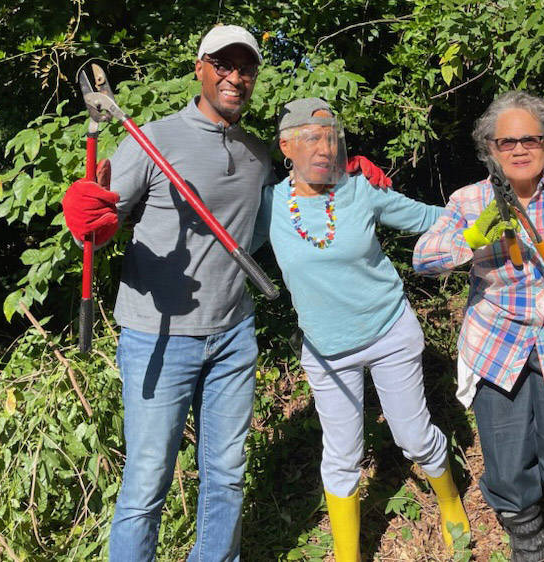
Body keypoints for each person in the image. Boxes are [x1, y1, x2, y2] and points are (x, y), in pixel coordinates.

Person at [60, 26, 387, 562]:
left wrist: (348, 178)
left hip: (233, 335)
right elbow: (98, 224)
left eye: (246, 67)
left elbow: (290, 208)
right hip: (157, 336)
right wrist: (86, 219)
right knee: (146, 485)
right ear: (200, 68)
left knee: (226, 477)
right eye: (223, 64)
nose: (235, 76)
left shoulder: (258, 154)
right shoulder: (150, 139)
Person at [251, 97, 470, 561]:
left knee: (413, 436)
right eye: (312, 138)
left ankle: (450, 501)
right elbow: (222, 242)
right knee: (342, 455)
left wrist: (482, 216)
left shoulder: (358, 190)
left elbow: (428, 218)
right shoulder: (268, 206)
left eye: (331, 138)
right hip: (327, 351)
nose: (324, 148)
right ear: (286, 145)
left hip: (390, 332)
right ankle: (349, 555)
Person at [413, 91, 544, 562]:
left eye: (530, 139)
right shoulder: (470, 198)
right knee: (506, 457)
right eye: (506, 142)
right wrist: (473, 238)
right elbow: (424, 258)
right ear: (490, 149)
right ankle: (528, 547)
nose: (519, 149)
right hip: (497, 346)